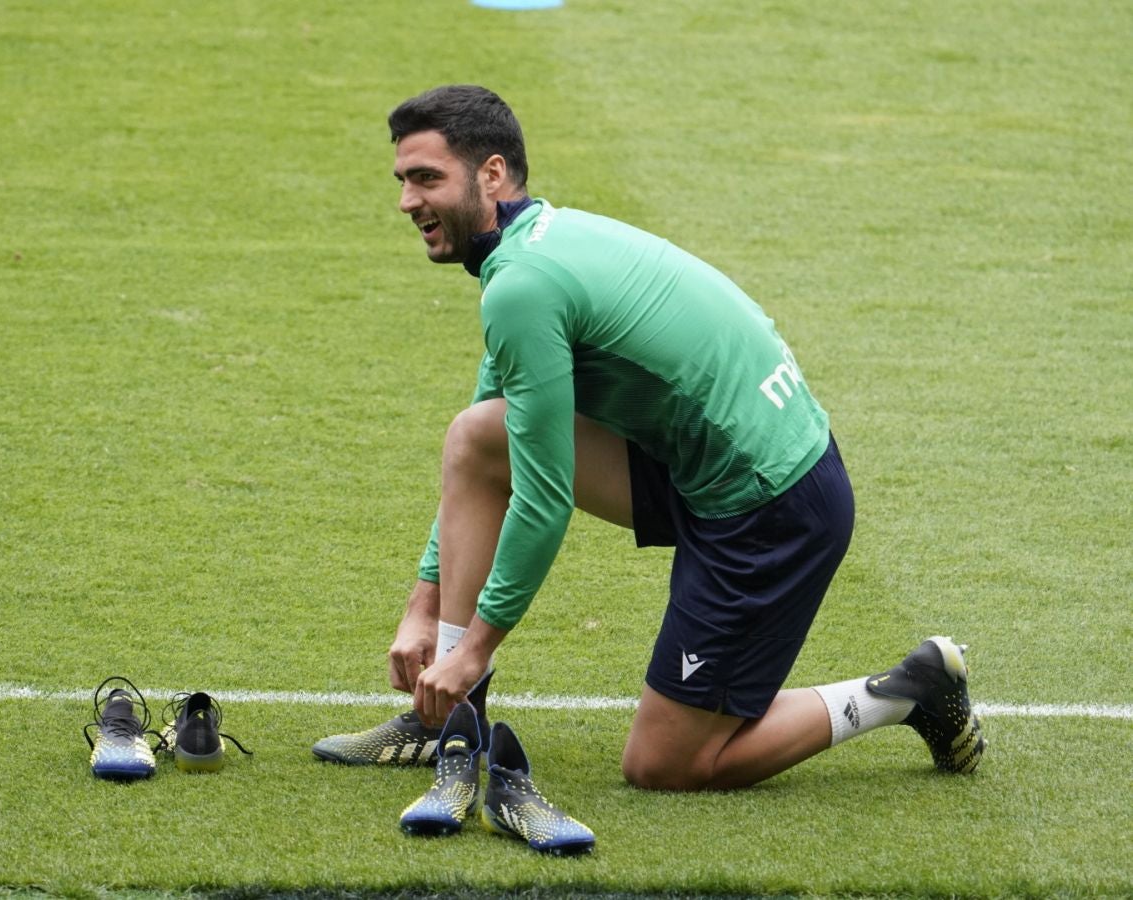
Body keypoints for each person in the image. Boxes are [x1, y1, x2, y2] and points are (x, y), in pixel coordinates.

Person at [313, 85, 985, 792]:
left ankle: (908, 690)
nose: (407, 202)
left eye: (426, 179)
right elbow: (484, 446)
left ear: (491, 173)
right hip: (709, 463)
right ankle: (444, 722)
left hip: (770, 507)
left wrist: (475, 647)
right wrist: (423, 608)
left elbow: (541, 501)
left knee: (665, 766)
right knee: (479, 435)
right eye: (402, 181)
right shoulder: (538, 240)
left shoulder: (523, 284)